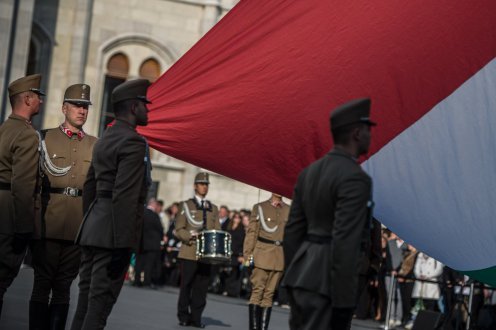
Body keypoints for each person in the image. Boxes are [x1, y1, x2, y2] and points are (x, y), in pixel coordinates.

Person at [282, 98, 376, 330]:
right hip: (328, 283)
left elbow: (293, 232)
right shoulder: (355, 178)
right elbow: (346, 240)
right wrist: (344, 299)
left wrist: (294, 273)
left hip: (301, 275)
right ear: (356, 133)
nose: (370, 135)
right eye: (367, 129)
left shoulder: (309, 173)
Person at [70, 79, 152, 330]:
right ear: (134, 107)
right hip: (113, 234)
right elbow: (125, 195)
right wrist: (124, 243)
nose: (148, 110)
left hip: (93, 227)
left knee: (85, 302)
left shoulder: (105, 138)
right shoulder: (133, 142)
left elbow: (90, 188)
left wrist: (90, 222)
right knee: (100, 305)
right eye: (144, 105)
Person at [29, 84, 97, 329]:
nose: (82, 110)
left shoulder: (94, 144)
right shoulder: (44, 138)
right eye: (77, 105)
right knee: (41, 285)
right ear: (64, 108)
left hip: (78, 228)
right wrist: (34, 224)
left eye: (85, 106)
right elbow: (34, 185)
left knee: (64, 288)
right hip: (49, 222)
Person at [0, 74, 45, 319]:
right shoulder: (26, 135)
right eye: (38, 96)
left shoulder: (5, 128)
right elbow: (24, 185)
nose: (40, 101)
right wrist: (25, 230)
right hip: (9, 218)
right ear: (27, 99)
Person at [174, 172, 220, 328]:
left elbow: (217, 230)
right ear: (195, 186)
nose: (204, 187)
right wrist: (190, 235)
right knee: (186, 286)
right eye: (201, 184)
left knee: (201, 288)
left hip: (206, 254)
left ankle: (196, 318)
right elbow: (179, 229)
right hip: (189, 251)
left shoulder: (213, 208)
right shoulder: (186, 205)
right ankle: (183, 316)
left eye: (206, 184)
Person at [243, 193, 290, 330]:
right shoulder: (260, 207)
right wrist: (248, 256)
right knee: (257, 292)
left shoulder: (289, 210)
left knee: (269, 295)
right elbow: (252, 233)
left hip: (279, 257)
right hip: (261, 255)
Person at [134, 198, 164, 288]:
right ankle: (146, 282)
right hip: (152, 244)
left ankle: (137, 280)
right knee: (149, 264)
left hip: (141, 242)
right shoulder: (155, 215)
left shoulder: (142, 213)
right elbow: (160, 229)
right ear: (154, 205)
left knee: (139, 263)